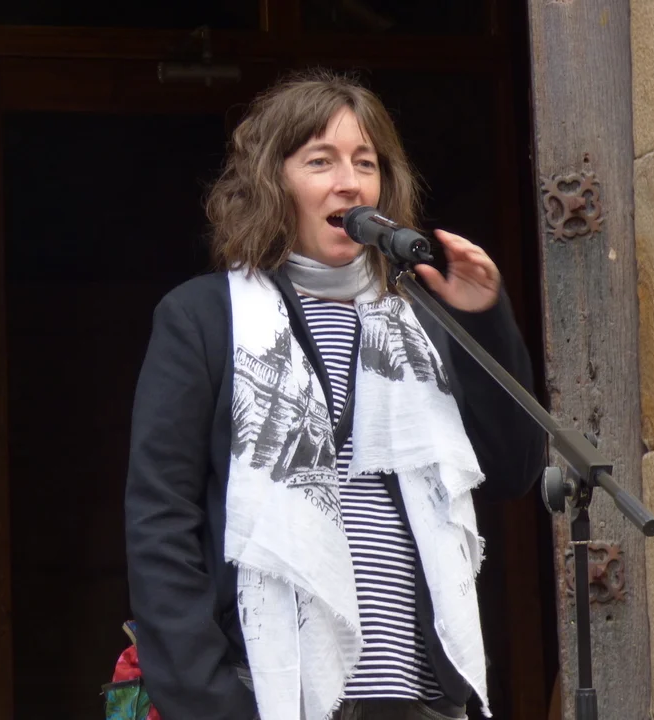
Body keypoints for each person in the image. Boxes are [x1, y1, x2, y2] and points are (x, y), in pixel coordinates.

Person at [125, 70, 545, 720]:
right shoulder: (205, 318)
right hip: (269, 696)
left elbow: (515, 469)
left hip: (418, 700)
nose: (349, 183)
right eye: (320, 161)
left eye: (365, 163)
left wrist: (482, 321)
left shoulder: (423, 319)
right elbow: (161, 519)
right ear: (274, 182)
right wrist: (210, 700)